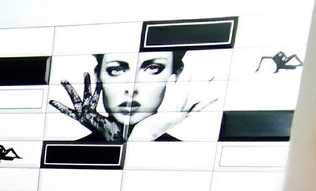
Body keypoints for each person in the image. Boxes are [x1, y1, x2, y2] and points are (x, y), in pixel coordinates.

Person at [49, 49, 214, 143]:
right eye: (116, 70)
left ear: (176, 74)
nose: (132, 88)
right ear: (98, 76)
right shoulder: (65, 155)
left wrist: (146, 134)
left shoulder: (188, 157)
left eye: (153, 68)